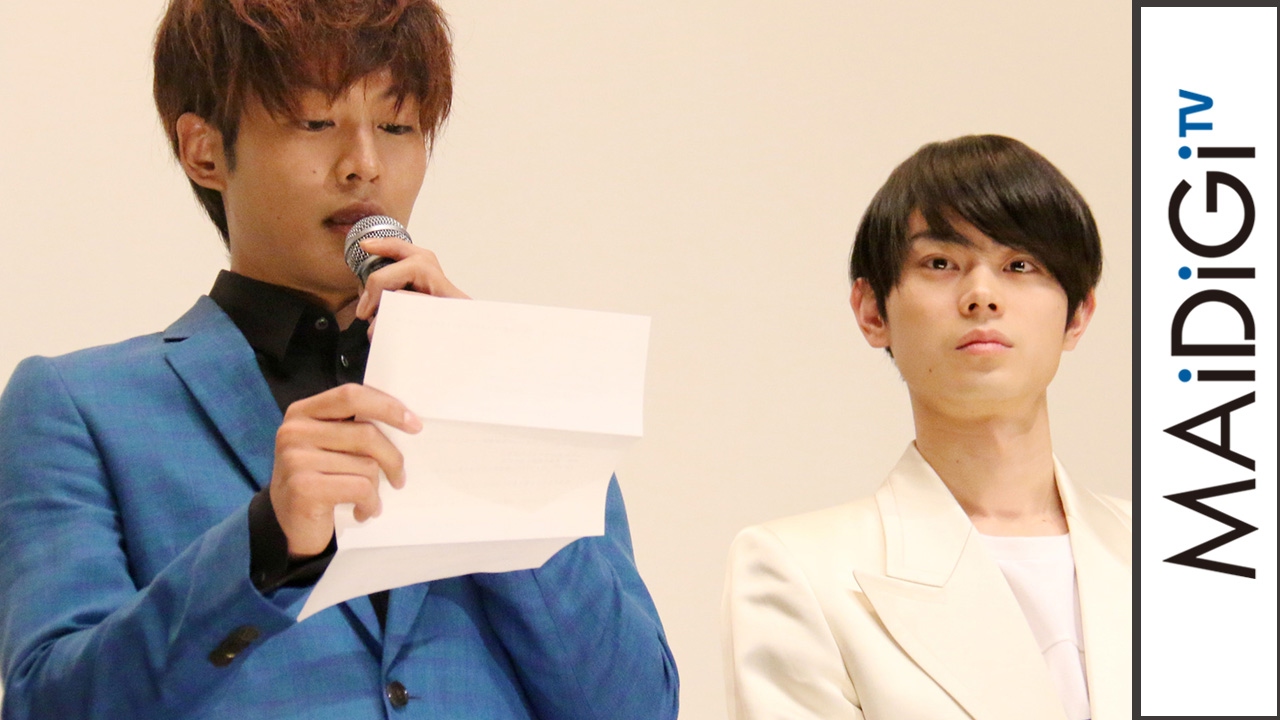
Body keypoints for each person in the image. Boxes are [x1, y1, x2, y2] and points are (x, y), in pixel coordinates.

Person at [0, 1, 678, 717]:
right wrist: (265, 545)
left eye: (397, 126)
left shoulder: (511, 390)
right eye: (315, 122)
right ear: (204, 150)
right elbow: (48, 704)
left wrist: (488, 416)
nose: (365, 166)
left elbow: (638, 706)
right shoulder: (79, 406)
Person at [722, 135, 1130, 720]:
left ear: (1079, 313)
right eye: (940, 263)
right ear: (872, 310)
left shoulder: (1187, 551)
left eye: (1020, 265)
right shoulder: (800, 570)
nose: (982, 296)